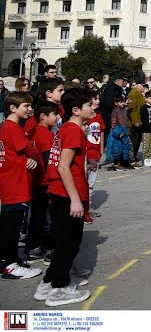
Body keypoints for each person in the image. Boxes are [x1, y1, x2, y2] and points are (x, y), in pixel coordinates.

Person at [34, 87, 95, 306]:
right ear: (77, 110)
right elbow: (63, 167)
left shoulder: (71, 129)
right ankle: (58, 288)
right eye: (89, 104)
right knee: (69, 242)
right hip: (68, 194)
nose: (93, 106)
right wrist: (76, 199)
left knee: (64, 241)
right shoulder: (72, 130)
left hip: (62, 193)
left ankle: (49, 282)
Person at [1, 91, 42, 279]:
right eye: (26, 106)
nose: (30, 109)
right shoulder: (12, 127)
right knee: (12, 226)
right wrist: (30, 156)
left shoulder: (7, 126)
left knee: (11, 225)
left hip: (12, 182)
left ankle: (10, 260)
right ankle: (10, 265)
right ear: (12, 108)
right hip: (15, 184)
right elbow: (31, 150)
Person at [26, 100, 59, 261]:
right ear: (43, 116)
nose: (57, 117)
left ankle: (33, 247)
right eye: (54, 115)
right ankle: (47, 248)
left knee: (37, 216)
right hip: (45, 182)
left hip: (35, 181)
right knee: (49, 217)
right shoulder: (46, 135)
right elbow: (48, 160)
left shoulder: (33, 131)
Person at [83, 93, 104, 223]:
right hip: (87, 155)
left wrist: (102, 149)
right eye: (95, 99)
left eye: (98, 99)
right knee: (83, 183)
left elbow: (101, 132)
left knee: (91, 183)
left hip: (95, 154)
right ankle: (83, 210)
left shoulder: (99, 117)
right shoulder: (85, 119)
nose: (98, 101)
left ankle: (87, 208)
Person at [106, 95, 133, 171]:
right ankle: (117, 164)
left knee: (126, 148)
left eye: (123, 102)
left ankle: (124, 163)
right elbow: (113, 123)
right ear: (116, 103)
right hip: (118, 132)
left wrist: (128, 128)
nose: (122, 103)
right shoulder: (115, 111)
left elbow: (127, 120)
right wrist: (117, 133)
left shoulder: (124, 110)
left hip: (125, 132)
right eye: (121, 102)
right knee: (117, 149)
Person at [126, 82, 147, 164]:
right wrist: (135, 121)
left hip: (139, 121)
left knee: (137, 140)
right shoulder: (134, 93)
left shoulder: (139, 93)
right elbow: (132, 109)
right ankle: (131, 157)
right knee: (134, 140)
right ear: (138, 86)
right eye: (143, 86)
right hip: (135, 122)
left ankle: (134, 156)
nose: (144, 88)